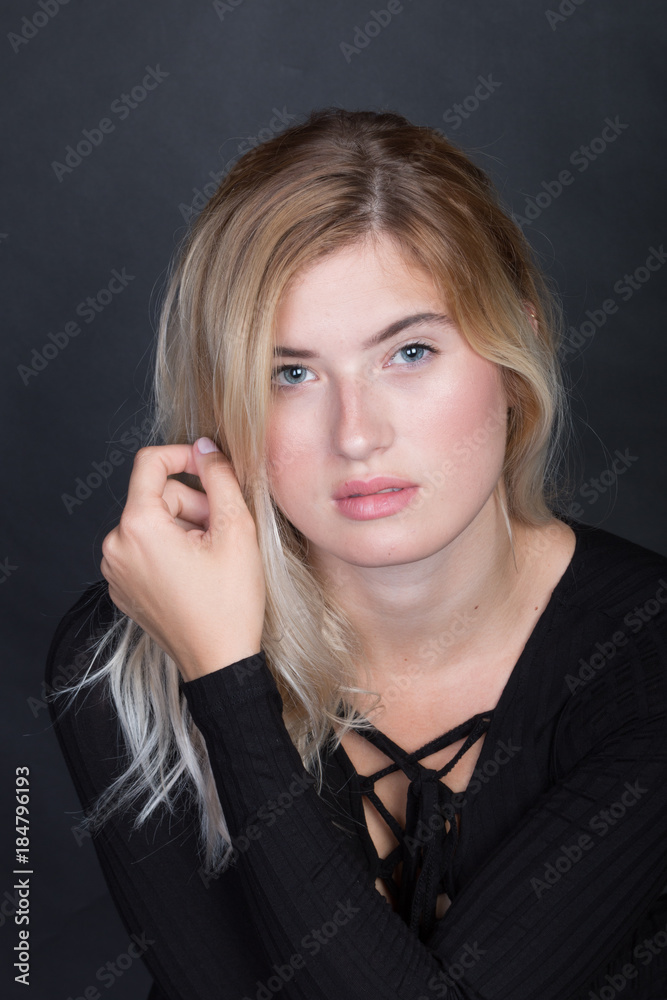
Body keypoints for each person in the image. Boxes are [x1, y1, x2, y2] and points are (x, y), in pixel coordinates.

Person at [46, 107, 667, 1000]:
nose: (358, 435)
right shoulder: (129, 654)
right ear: (227, 406)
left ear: (514, 347)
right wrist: (220, 669)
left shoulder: (644, 658)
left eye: (408, 352)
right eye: (289, 373)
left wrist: (224, 683)